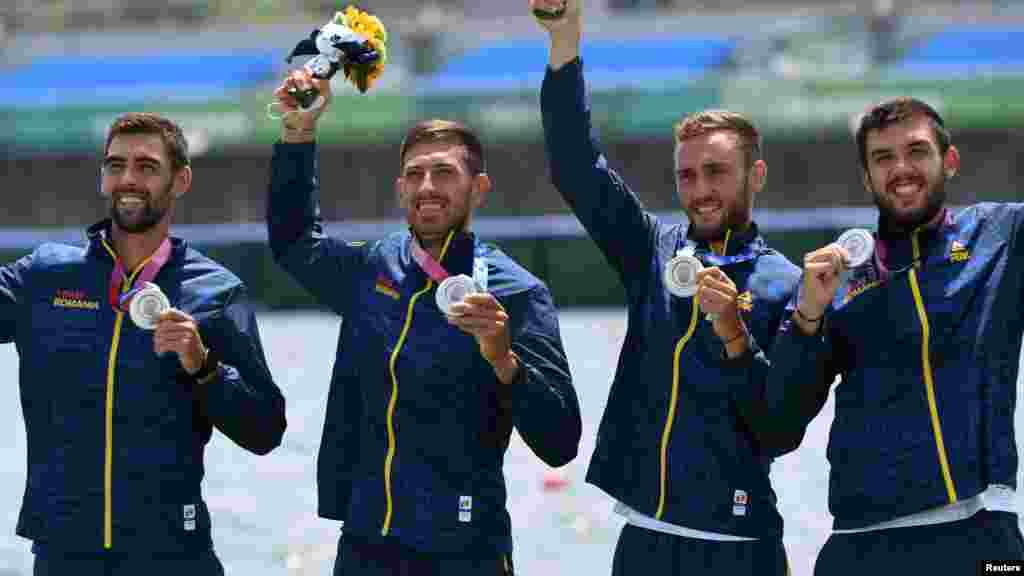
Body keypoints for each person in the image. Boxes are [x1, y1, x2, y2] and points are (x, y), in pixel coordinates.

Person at [266, 69, 582, 576]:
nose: (427, 187)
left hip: (466, 548)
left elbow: (560, 443)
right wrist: (297, 135)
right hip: (368, 542)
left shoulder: (517, 293)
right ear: (399, 188)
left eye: (444, 173)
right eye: (414, 175)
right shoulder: (373, 267)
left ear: (479, 189)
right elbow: (292, 241)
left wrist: (505, 360)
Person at [532, 1, 801, 574]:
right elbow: (576, 166)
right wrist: (564, 43)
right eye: (686, 175)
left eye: (716, 172)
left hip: (741, 546)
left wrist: (733, 334)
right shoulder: (649, 248)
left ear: (755, 175)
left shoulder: (789, 285)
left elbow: (779, 427)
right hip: (645, 541)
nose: (700, 189)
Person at [4, 112, 287, 575]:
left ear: (181, 180)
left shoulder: (214, 291)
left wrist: (203, 366)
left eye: (146, 166)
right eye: (115, 165)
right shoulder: (43, 275)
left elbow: (265, 430)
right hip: (64, 551)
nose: (127, 179)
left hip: (174, 552)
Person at [766, 97, 1024, 574]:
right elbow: (779, 424)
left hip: (980, 535)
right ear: (866, 177)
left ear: (949, 162)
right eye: (883, 158)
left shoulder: (1003, 235)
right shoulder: (839, 278)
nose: (901, 169)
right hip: (862, 546)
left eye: (917, 151)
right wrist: (806, 318)